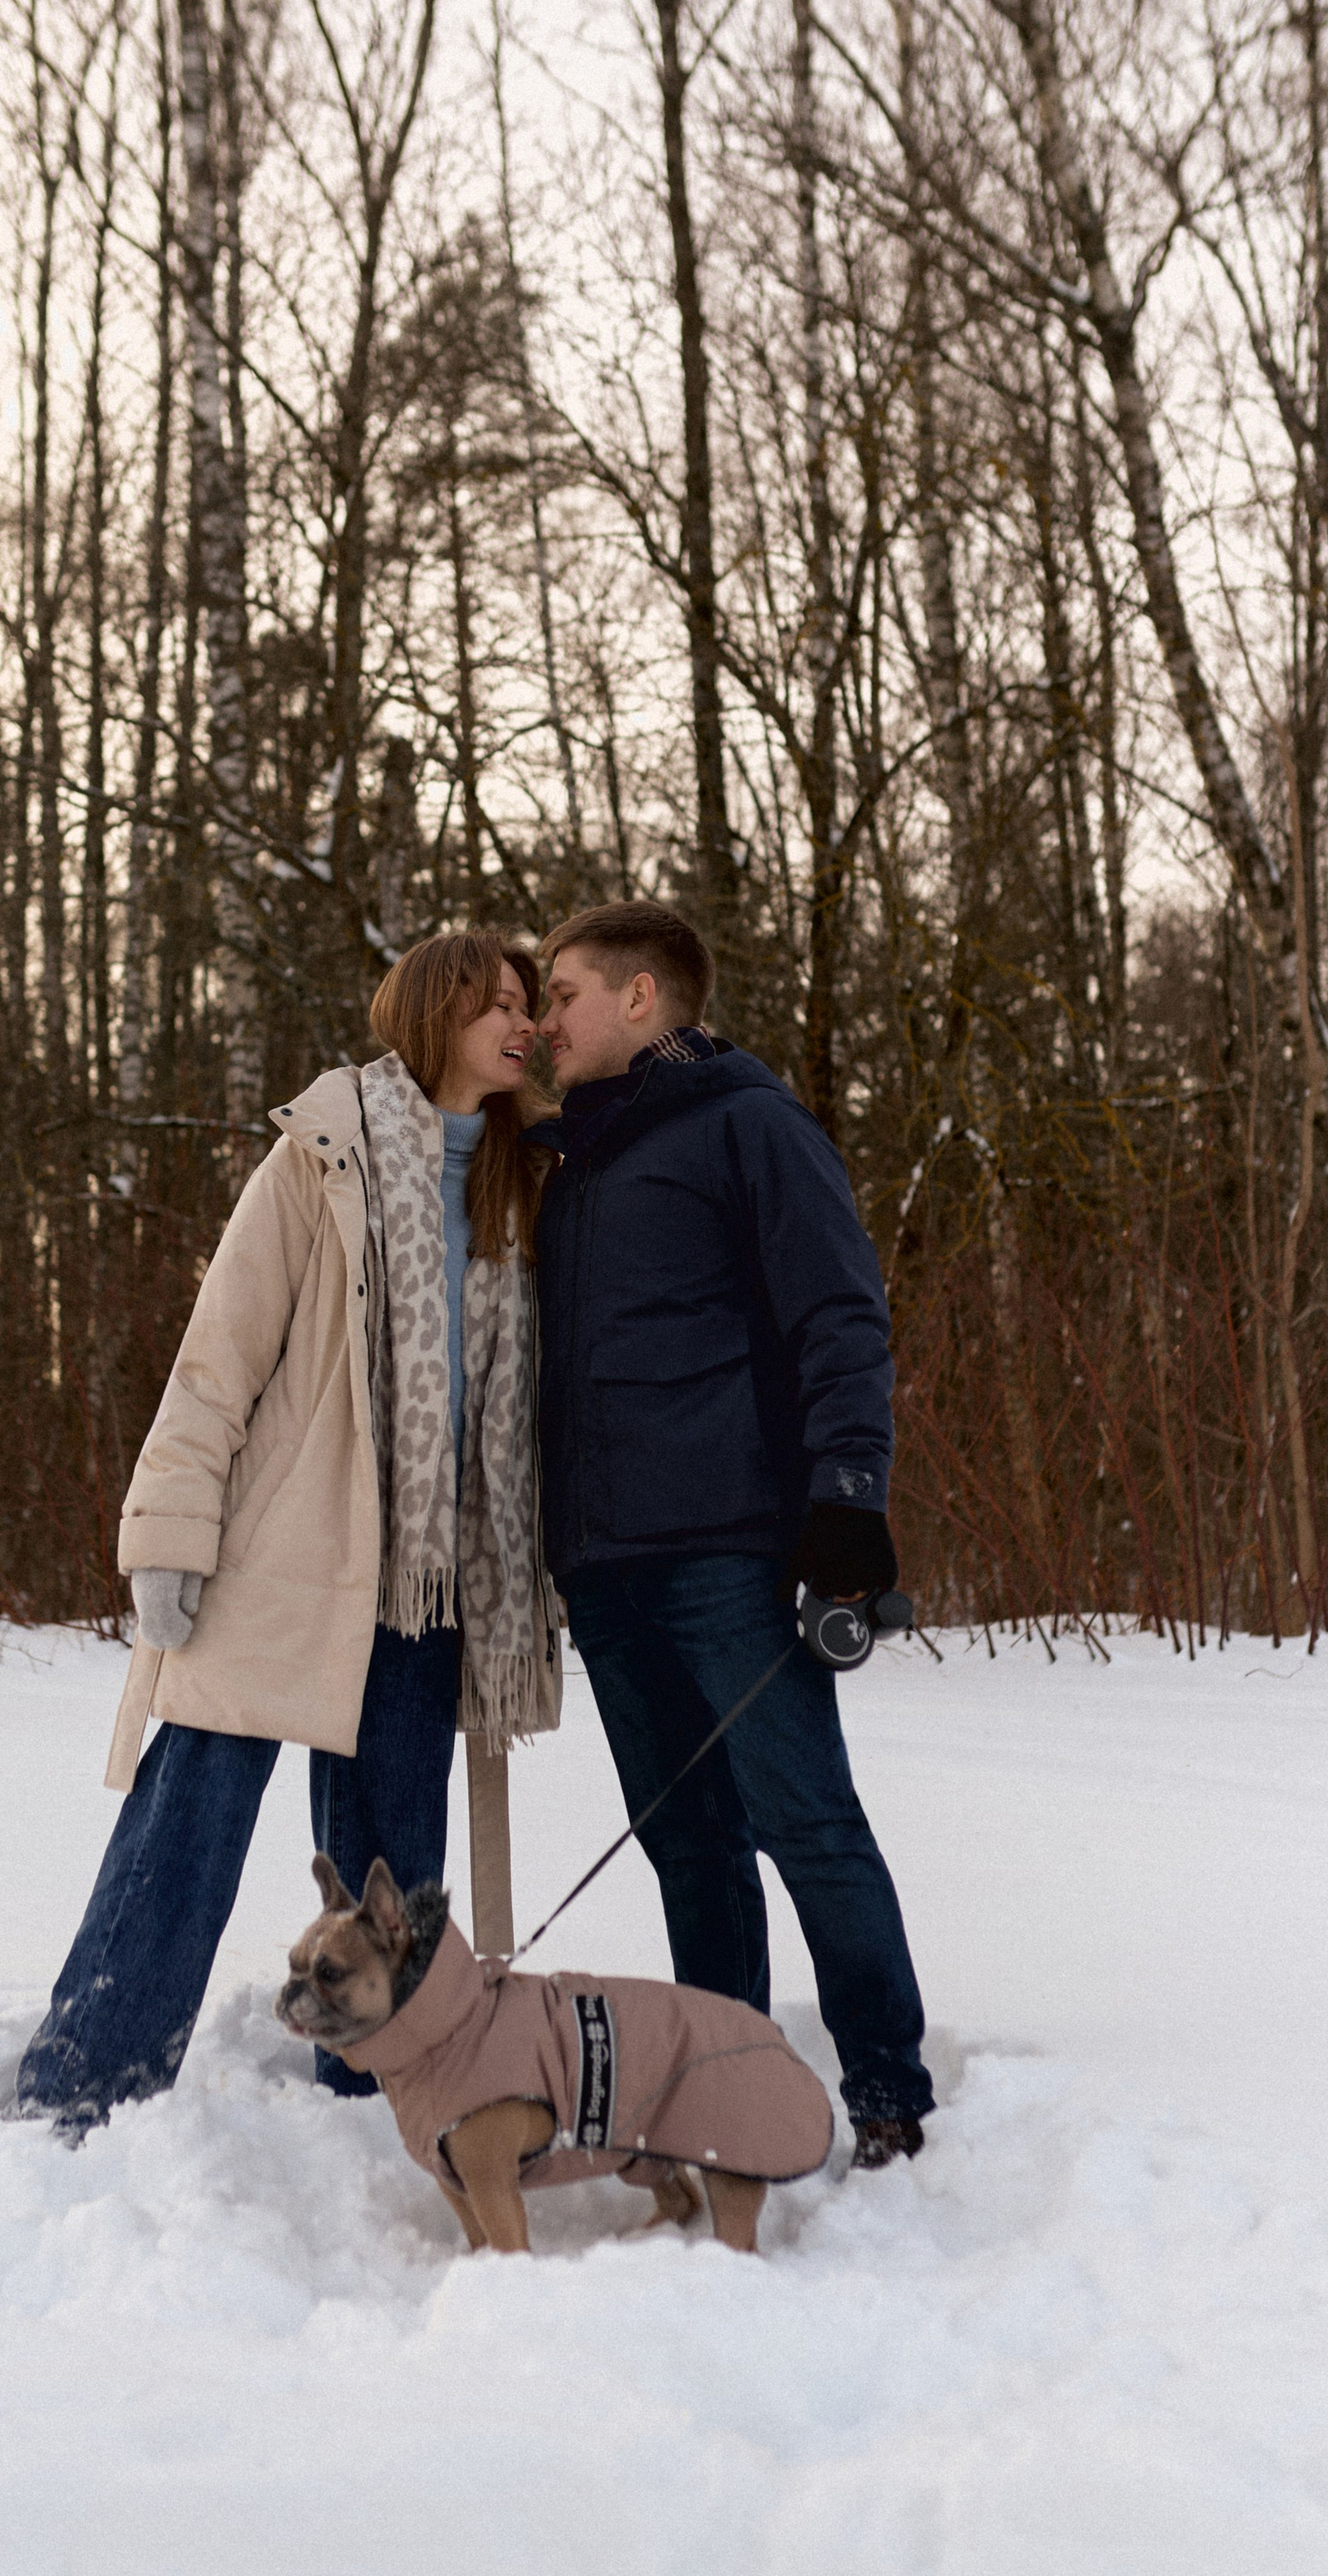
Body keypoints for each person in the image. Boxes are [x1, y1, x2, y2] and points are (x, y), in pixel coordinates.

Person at [13, 931, 563, 2134]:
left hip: (429, 1579)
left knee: (392, 1868)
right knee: (190, 1830)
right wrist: (169, 1532)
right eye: (496, 1005)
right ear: (430, 1018)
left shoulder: (528, 1180)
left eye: (530, 1005)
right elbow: (220, 1355)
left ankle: (371, 2093)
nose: (523, 1025)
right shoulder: (321, 1160)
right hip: (283, 1557)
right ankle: (85, 2083)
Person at [532, 899, 933, 2166]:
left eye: (564, 996)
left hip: (732, 1552)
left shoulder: (750, 1126)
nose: (543, 1023)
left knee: (804, 1821)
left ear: (642, 998)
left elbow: (840, 1317)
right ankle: (724, 2075)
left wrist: (849, 1503)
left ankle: (886, 2093)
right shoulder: (573, 1166)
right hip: (604, 1565)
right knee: (686, 1843)